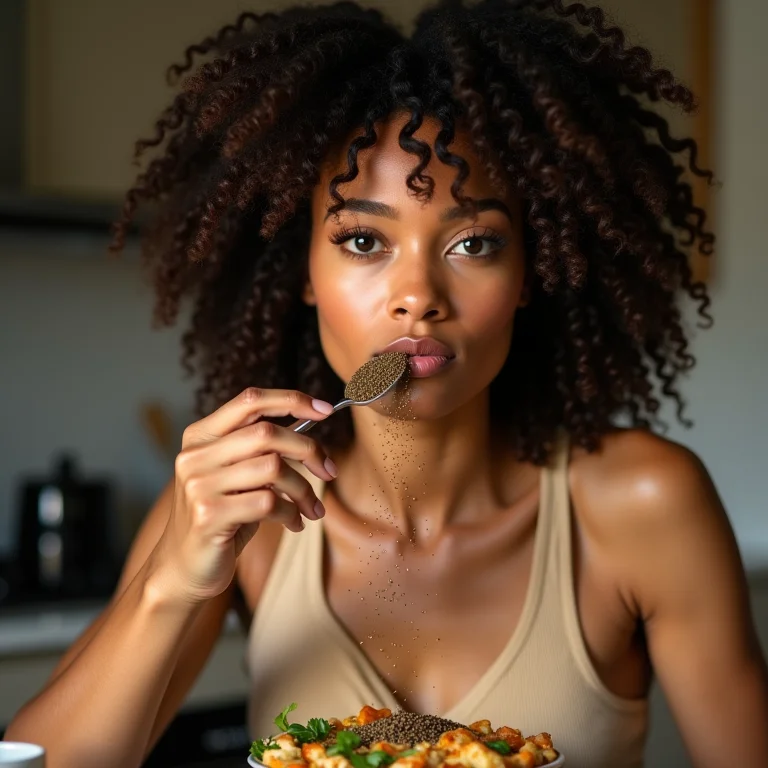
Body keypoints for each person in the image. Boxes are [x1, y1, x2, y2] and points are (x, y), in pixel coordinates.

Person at [7, 1, 768, 766]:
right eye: (363, 239)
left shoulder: (642, 506)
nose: (417, 294)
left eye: (474, 242)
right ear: (302, 271)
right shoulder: (245, 511)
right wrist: (171, 581)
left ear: (529, 274)